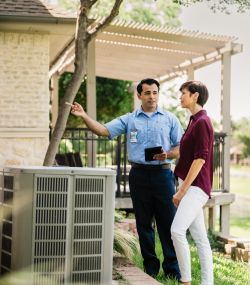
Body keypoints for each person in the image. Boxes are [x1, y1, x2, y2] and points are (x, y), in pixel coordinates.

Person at [70, 78, 183, 280]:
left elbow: (180, 147)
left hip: (163, 175)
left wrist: (169, 154)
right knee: (143, 223)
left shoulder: (170, 119)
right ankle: (150, 269)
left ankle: (172, 270)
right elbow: (103, 131)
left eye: (155, 92)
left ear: (159, 94)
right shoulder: (130, 119)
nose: (152, 96)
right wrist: (84, 115)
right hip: (138, 175)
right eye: (147, 93)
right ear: (139, 95)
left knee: (168, 223)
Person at [171, 80, 214, 285]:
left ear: (195, 95)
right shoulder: (193, 120)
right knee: (201, 239)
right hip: (189, 185)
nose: (180, 96)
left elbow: (200, 159)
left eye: (184, 93)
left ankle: (185, 281)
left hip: (196, 188)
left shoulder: (203, 122)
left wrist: (181, 191)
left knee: (177, 231)